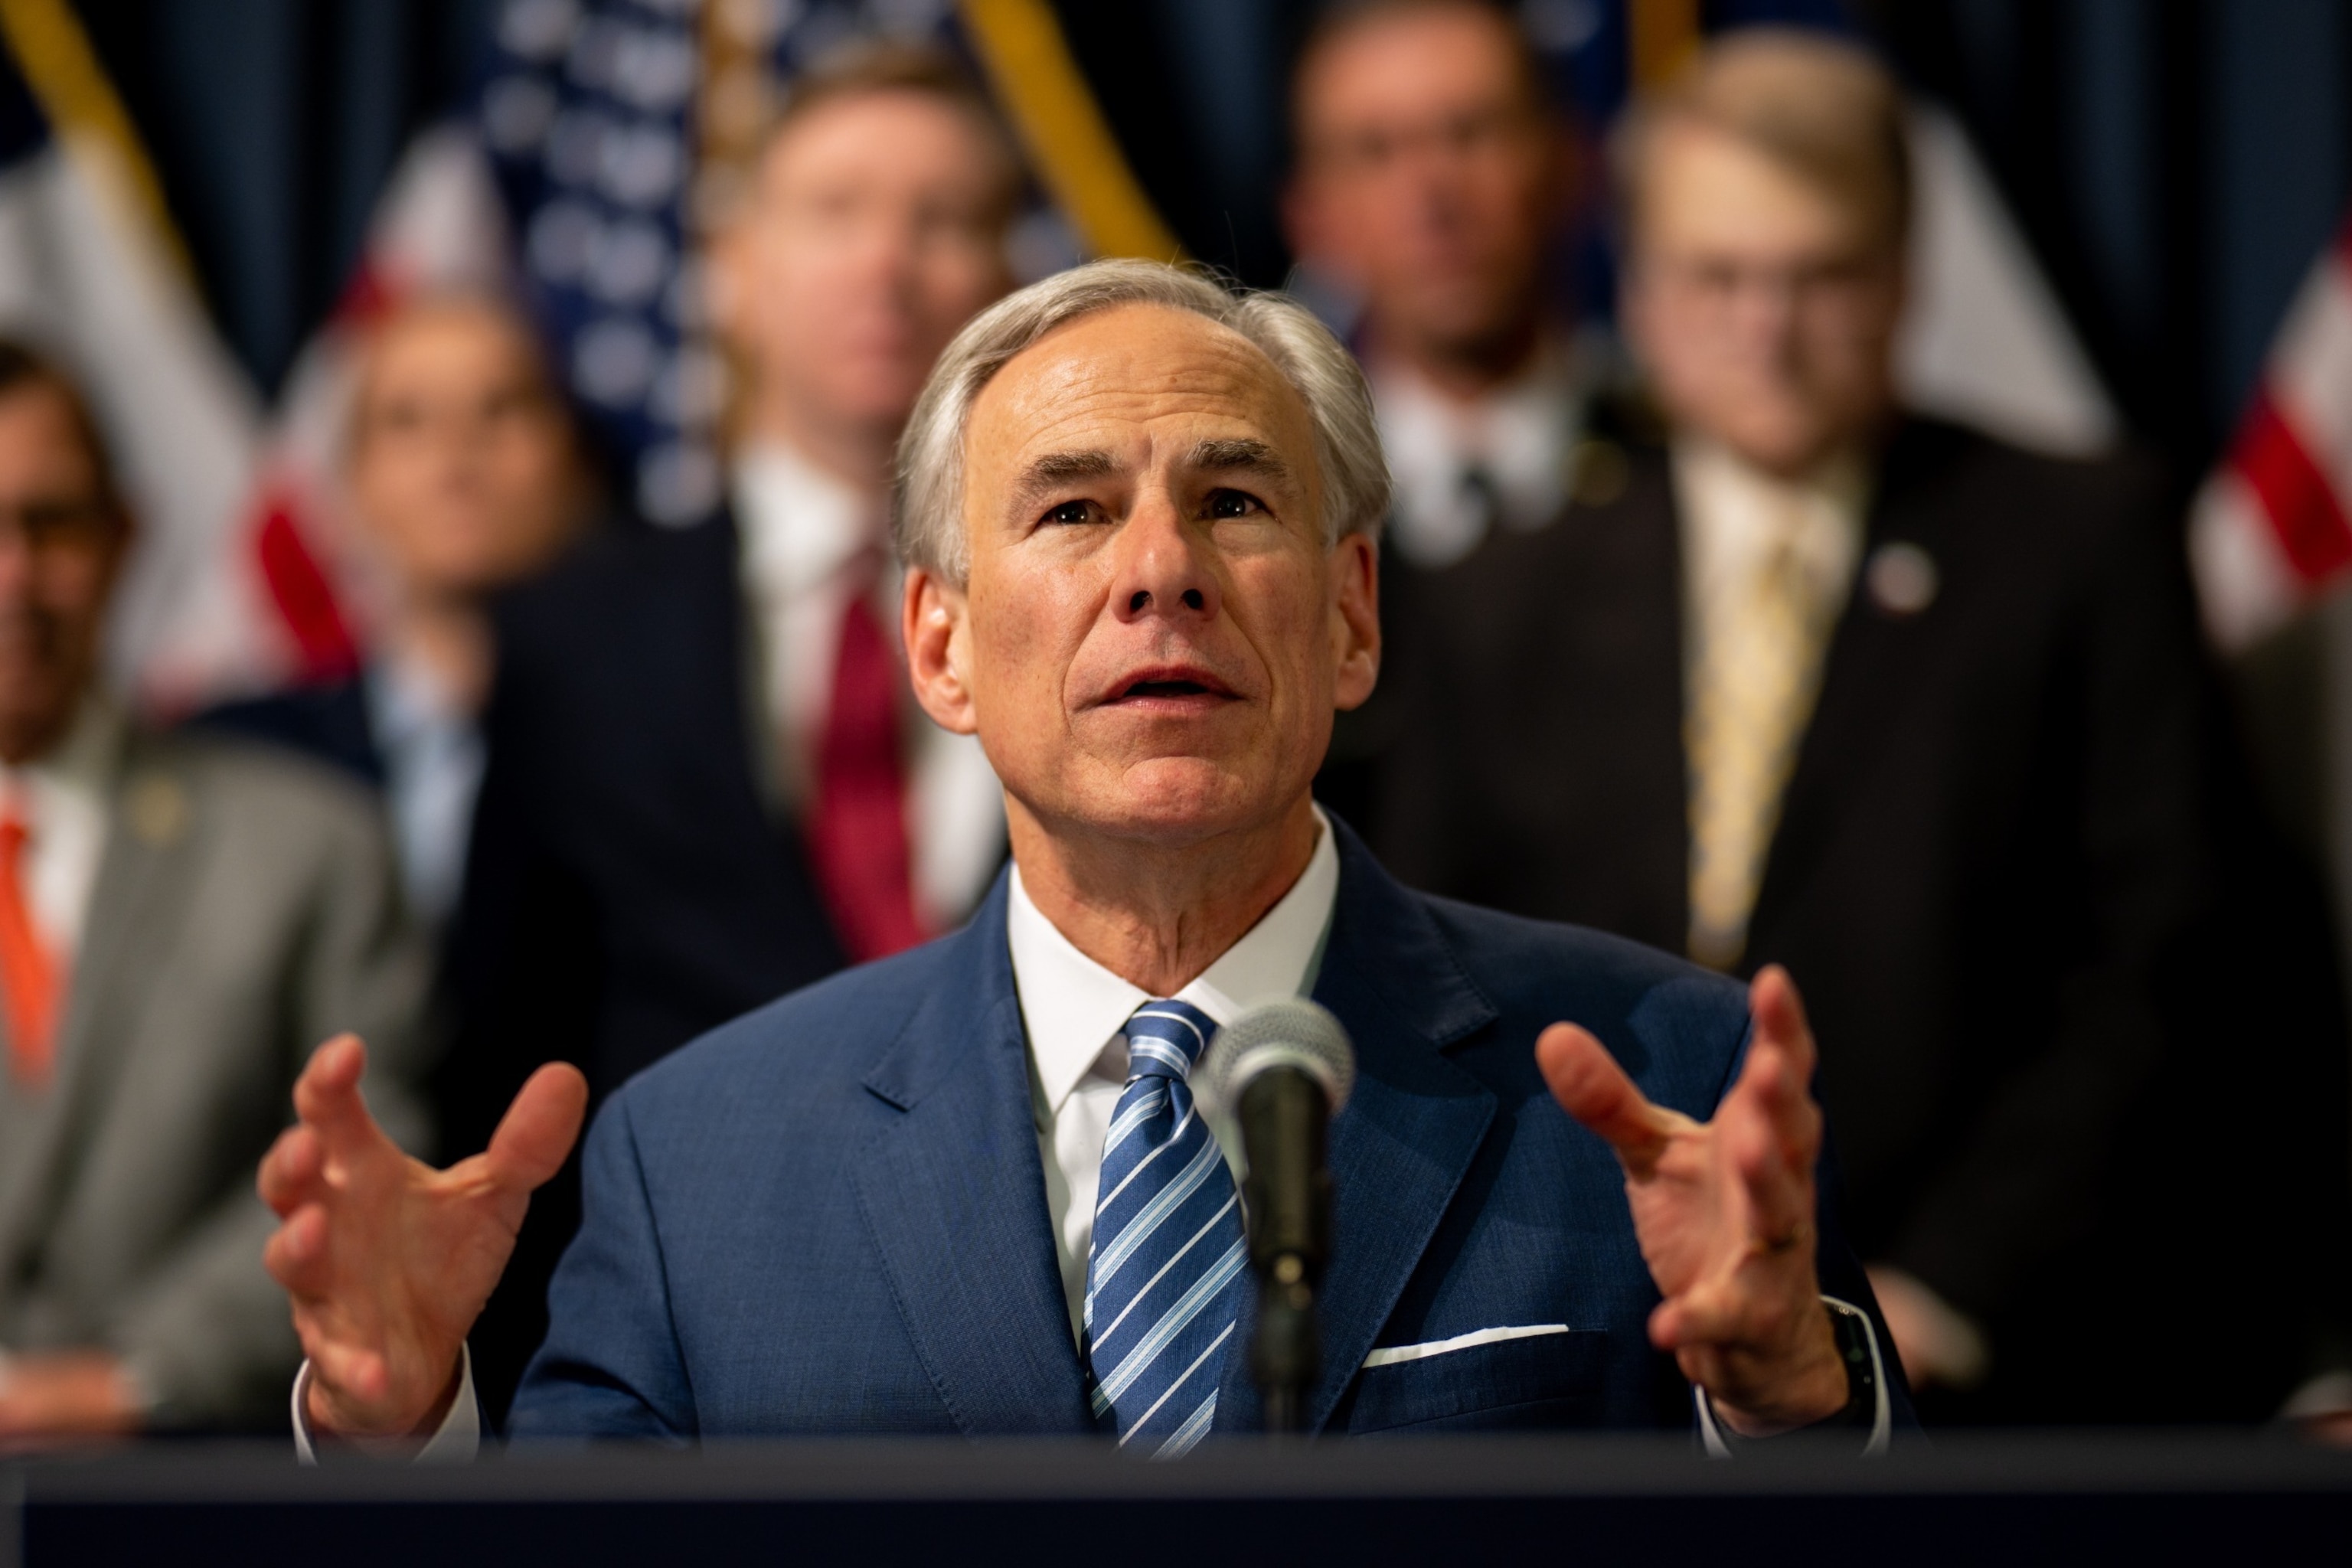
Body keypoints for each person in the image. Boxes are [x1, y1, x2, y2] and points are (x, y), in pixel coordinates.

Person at [260, 258, 1911, 1455]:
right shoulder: (693, 1173)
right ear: (942, 647)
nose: (1159, 572)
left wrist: (1783, 1402)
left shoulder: (1658, 1079)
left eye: (1238, 500)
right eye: (1067, 511)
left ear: (1351, 615)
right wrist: (402, 1439)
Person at [1366, 29, 2350, 1421]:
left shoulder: (2081, 542)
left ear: (1902, 278)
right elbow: (1436, 983)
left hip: (2004, 1368)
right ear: (1638, 289)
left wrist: (1932, 1290)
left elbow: (2167, 959)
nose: (1764, 326)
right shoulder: (1493, 595)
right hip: (1598, 1364)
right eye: (1717, 276)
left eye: (1818, 274)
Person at [439, 42, 1020, 1420]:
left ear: (1007, 279)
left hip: (1055, 1373)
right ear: (735, 268)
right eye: (833, 211)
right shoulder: (569, 632)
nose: (887, 262)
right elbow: (507, 1053)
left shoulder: (1112, 613)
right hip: (695, 1371)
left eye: (941, 217)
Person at [0, 340, 428, 1441]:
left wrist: (135, 1380)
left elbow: (375, 1154)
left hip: (210, 1490)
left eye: (47, 524)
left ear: (123, 537)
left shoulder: (311, 844)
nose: (12, 577)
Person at [1282, 0, 1602, 821]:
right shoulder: (1276, 515)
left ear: (1568, 164)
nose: (1433, 194)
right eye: (1376, 151)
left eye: (1471, 133)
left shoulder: (1689, 475)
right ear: (1312, 216)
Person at [200, 294, 592, 926]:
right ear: (352, 483)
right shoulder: (244, 756)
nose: (457, 456)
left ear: (573, 463)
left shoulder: (672, 737)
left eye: (501, 408)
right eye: (408, 421)